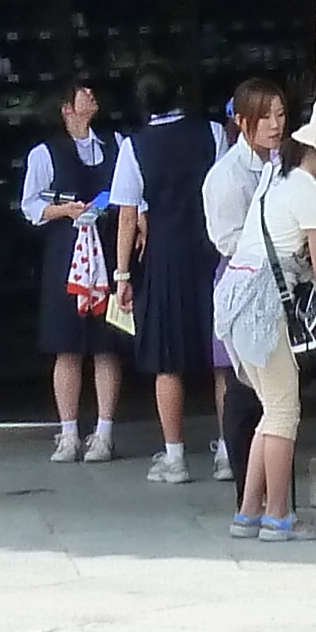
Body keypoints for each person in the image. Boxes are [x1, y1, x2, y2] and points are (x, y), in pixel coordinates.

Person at [219, 92, 316, 542]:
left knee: (270, 411)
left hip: (235, 301)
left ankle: (249, 513)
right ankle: (280, 516)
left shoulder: (281, 181)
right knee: (284, 412)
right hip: (264, 307)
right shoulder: (312, 195)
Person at [113, 69, 224, 483]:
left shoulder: (134, 146)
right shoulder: (214, 133)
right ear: (179, 92)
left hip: (163, 256)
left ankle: (175, 457)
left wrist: (123, 273)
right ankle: (229, 452)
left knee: (167, 360)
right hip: (212, 251)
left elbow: (127, 215)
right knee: (222, 360)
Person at [19, 72, 122, 462]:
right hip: (67, 254)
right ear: (66, 108)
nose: (91, 94)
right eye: (83, 91)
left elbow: (132, 193)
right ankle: (68, 434)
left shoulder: (116, 144)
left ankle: (105, 433)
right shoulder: (44, 153)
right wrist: (64, 210)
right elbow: (30, 206)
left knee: (106, 345)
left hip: (109, 254)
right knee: (67, 345)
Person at [203, 76, 291, 502]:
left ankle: (266, 493)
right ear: (241, 122)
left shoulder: (282, 164)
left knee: (272, 393)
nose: (275, 125)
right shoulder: (227, 175)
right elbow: (226, 239)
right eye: (264, 116)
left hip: (279, 282)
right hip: (244, 282)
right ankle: (247, 493)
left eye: (280, 115)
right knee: (245, 390)